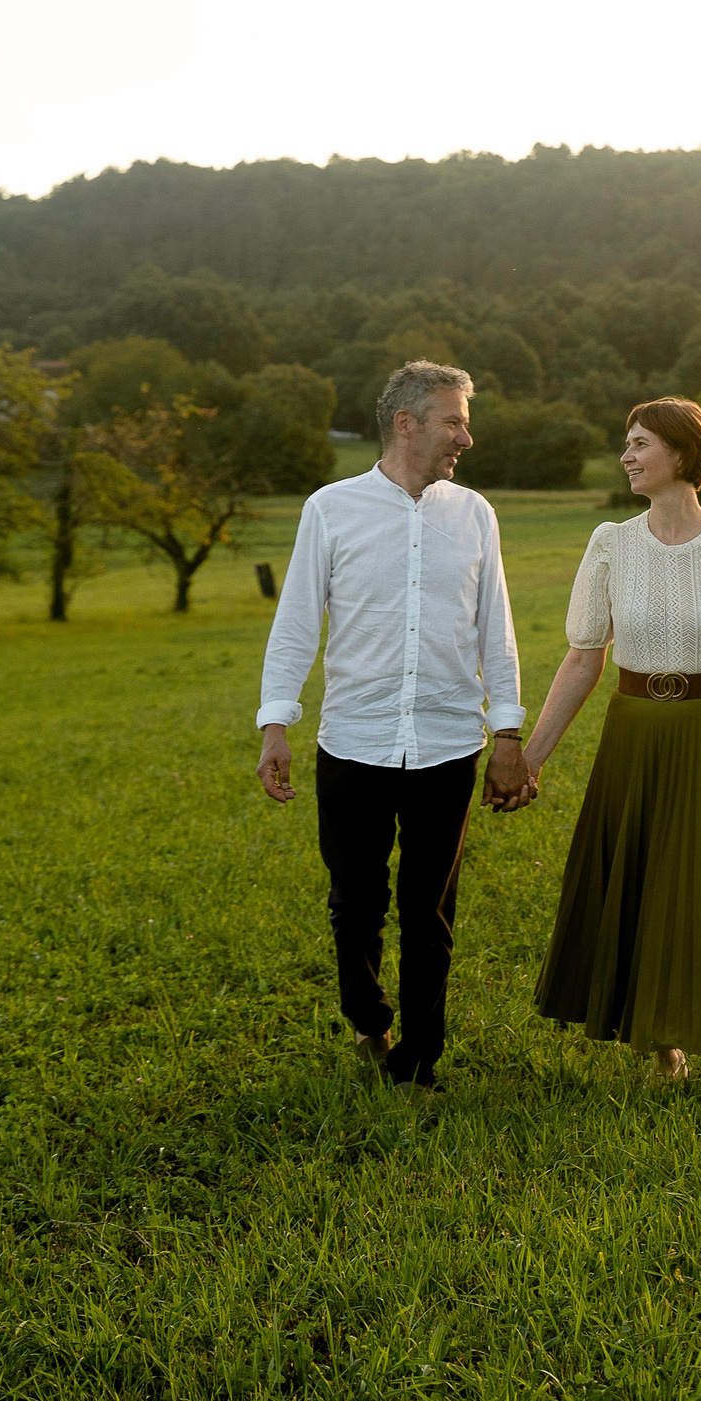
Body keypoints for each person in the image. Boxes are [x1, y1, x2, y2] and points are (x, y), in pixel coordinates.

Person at [254, 361, 531, 1099]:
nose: (465, 438)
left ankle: (420, 1059)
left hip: (448, 744)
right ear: (406, 424)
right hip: (353, 742)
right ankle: (367, 1018)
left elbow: (496, 631)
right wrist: (276, 722)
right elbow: (296, 624)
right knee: (355, 901)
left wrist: (508, 735)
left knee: (429, 910)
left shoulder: (475, 514)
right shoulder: (330, 509)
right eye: (453, 422)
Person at [517, 397, 701, 1099]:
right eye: (627, 443)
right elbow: (583, 658)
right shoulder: (610, 543)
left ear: (682, 453)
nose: (627, 456)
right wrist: (531, 757)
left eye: (640, 443)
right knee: (642, 883)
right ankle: (661, 1037)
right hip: (634, 731)